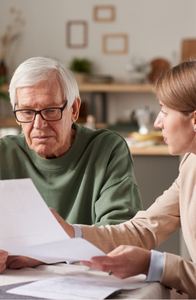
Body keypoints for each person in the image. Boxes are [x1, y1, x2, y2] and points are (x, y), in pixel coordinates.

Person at [0, 57, 142, 274]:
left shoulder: (107, 149)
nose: (39, 125)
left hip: (86, 281)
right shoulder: (3, 154)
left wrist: (47, 254)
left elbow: (122, 233)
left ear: (74, 109)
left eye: (50, 110)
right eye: (27, 112)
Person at [51, 60, 196, 297]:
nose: (157, 122)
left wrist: (154, 264)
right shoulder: (191, 163)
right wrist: (72, 234)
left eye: (164, 111)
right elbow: (145, 229)